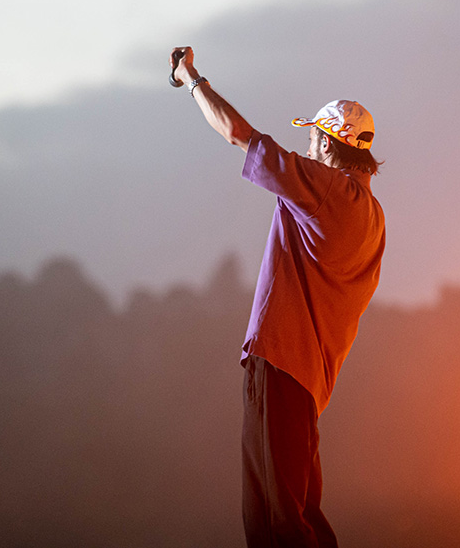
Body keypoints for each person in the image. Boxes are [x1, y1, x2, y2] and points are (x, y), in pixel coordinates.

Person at [170, 46, 386, 547]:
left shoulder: (326, 188)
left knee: (275, 523)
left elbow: (238, 135)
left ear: (330, 145)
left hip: (281, 365)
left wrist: (192, 78)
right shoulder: (374, 218)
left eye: (312, 139)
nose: (307, 150)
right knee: (300, 514)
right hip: (310, 384)